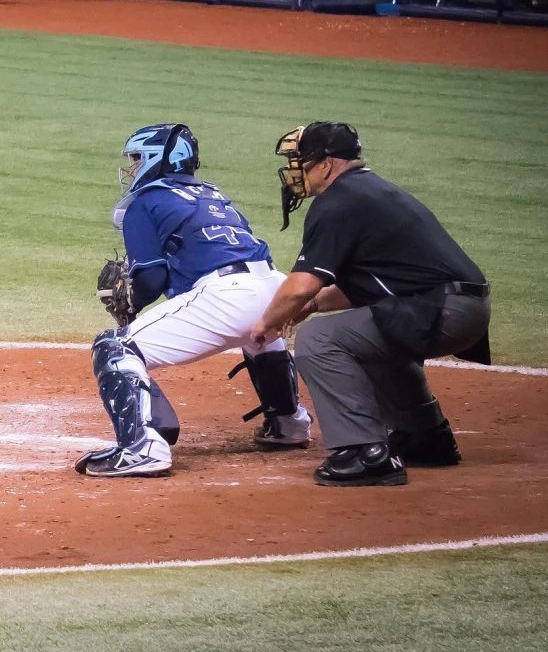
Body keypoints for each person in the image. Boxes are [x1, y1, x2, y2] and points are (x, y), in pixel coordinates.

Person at [250, 123, 491, 487]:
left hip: (440, 310)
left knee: (319, 340)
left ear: (327, 164)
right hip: (460, 307)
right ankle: (424, 437)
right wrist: (316, 304)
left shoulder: (337, 201)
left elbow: (299, 286)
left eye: (301, 160)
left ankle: (363, 452)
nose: (295, 170)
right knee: (371, 335)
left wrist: (267, 323)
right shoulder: (369, 191)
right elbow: (379, 284)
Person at [73, 123, 312, 478]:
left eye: (138, 159)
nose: (133, 168)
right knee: (258, 335)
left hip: (228, 296)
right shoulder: (211, 195)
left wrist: (132, 303)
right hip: (274, 287)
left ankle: (142, 449)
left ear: (158, 158)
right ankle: (289, 423)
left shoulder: (146, 201)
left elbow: (151, 277)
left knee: (114, 348)